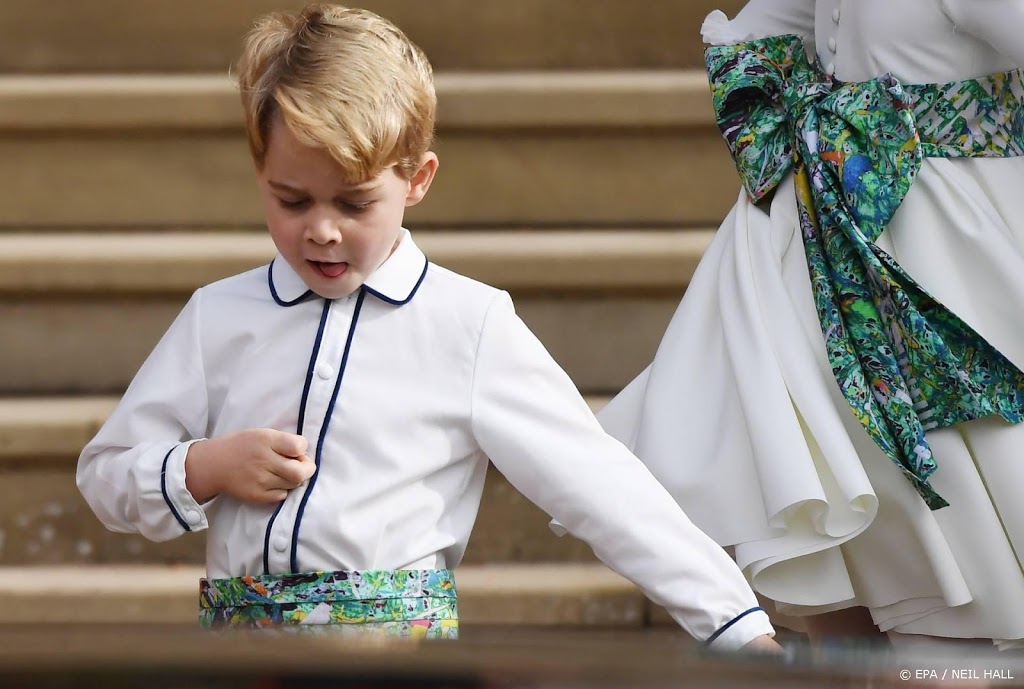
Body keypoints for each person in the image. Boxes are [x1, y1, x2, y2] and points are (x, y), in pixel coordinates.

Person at [75, 3, 779, 651]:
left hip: (395, 660)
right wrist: (203, 466)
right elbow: (105, 473)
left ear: (417, 179)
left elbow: (601, 486)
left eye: (354, 204)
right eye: (292, 200)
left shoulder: (469, 325)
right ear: (260, 172)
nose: (322, 230)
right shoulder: (217, 315)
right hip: (237, 660)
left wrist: (737, 629)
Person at [590, 0, 1024, 651]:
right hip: (828, 259)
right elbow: (762, 38)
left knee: (963, 534)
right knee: (853, 560)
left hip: (951, 256)